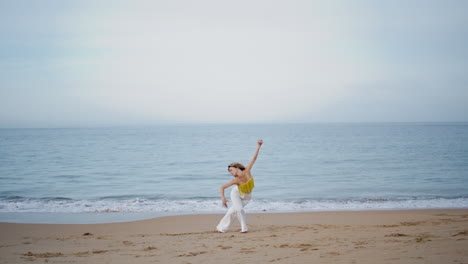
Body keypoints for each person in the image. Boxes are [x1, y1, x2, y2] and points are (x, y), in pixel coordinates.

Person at [216, 139, 263, 233]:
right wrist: (223, 198)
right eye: (229, 171)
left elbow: (254, 159)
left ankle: (221, 228)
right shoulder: (236, 180)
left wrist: (259, 146)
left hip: (247, 197)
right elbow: (222, 187)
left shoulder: (247, 171)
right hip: (236, 194)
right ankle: (244, 229)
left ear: (237, 168)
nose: (230, 172)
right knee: (239, 209)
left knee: (232, 211)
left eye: (231, 170)